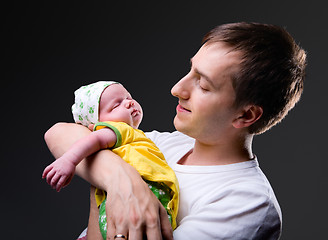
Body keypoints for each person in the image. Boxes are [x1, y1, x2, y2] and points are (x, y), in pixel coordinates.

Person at [44, 22, 306, 240]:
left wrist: (100, 175)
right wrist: (121, 181)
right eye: (190, 70)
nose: (177, 89)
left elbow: (86, 140)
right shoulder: (163, 144)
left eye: (203, 85)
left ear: (246, 115)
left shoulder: (247, 204)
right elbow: (58, 133)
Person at [42, 81, 179, 240]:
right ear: (96, 124)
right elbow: (95, 140)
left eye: (128, 97)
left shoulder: (135, 137)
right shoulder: (120, 130)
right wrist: (69, 160)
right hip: (143, 194)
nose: (129, 103)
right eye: (116, 105)